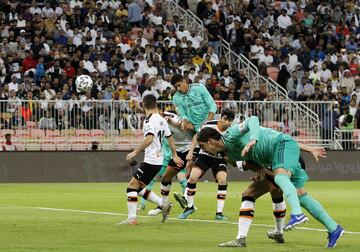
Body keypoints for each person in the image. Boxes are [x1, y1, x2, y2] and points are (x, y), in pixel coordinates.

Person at [196, 117, 344, 248]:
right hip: (277, 157)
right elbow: (249, 164)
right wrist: (261, 172)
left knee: (277, 181)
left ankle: (296, 215)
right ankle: (334, 228)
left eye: (203, 146)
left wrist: (253, 139)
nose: (204, 151)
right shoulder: (228, 155)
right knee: (300, 196)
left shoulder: (232, 135)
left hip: (281, 149)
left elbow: (253, 119)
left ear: (211, 141)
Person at [219, 145, 326, 248]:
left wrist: (266, 175)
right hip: (293, 158)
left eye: (225, 159)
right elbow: (261, 167)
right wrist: (262, 174)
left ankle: (240, 238)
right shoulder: (240, 151)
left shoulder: (240, 157)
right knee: (276, 191)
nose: (228, 162)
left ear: (226, 156)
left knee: (249, 194)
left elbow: (268, 172)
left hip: (285, 160)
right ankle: (278, 233)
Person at [119, 94, 183, 225]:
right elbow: (170, 138)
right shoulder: (161, 119)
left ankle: (132, 219)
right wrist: (175, 155)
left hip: (151, 160)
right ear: (155, 104)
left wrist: (135, 152)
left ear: (143, 105)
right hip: (158, 161)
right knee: (138, 188)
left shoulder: (148, 120)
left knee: (131, 187)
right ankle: (163, 204)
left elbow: (149, 139)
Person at [170, 108, 235, 221]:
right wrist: (191, 153)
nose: (227, 122)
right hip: (204, 155)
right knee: (192, 178)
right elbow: (196, 136)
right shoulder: (209, 124)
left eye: (230, 121)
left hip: (220, 158)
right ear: (221, 117)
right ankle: (189, 207)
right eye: (225, 119)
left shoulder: (232, 131)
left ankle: (219, 213)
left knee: (222, 180)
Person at [140, 109, 195, 217]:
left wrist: (174, 123)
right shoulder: (159, 124)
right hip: (174, 155)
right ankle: (164, 205)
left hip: (189, 149)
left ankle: (189, 203)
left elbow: (191, 129)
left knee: (187, 177)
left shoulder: (173, 119)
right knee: (166, 178)